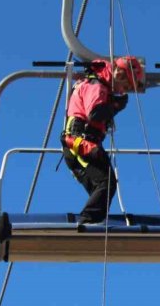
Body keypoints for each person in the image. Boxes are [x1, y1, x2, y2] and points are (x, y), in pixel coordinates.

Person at [61, 56, 145, 224]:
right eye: (126, 85)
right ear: (119, 75)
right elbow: (95, 114)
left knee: (98, 188)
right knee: (106, 183)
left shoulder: (96, 85)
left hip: (80, 144)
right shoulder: (97, 86)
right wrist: (115, 106)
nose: (123, 90)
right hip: (81, 143)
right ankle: (87, 223)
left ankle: (92, 221)